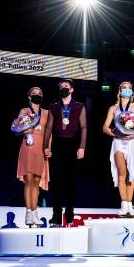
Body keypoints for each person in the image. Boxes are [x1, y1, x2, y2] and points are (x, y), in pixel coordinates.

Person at [43, 79, 87, 227]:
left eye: (66, 87)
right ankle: (56, 215)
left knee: (71, 182)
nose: (63, 88)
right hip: (58, 145)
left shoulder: (79, 106)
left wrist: (82, 147)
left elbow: (84, 128)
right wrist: (45, 146)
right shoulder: (54, 107)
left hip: (73, 145)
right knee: (56, 182)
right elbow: (48, 128)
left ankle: (69, 213)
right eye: (61, 87)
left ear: (72, 90)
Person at [102, 81, 134, 217]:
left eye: (129, 87)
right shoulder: (113, 108)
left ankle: (130, 205)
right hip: (118, 142)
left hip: (133, 142)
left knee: (132, 173)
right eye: (124, 87)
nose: (127, 89)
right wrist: (116, 133)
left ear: (132, 91)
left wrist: (133, 133)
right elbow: (105, 127)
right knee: (122, 173)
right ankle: (124, 205)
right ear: (119, 91)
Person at [16, 87, 50, 227]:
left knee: (36, 182)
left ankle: (35, 213)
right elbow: (18, 127)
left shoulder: (47, 113)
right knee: (28, 181)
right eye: (34, 94)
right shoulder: (25, 111)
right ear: (29, 97)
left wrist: (48, 148)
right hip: (29, 146)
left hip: (41, 148)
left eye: (39, 94)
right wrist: (27, 132)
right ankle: (28, 213)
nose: (37, 95)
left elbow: (49, 133)